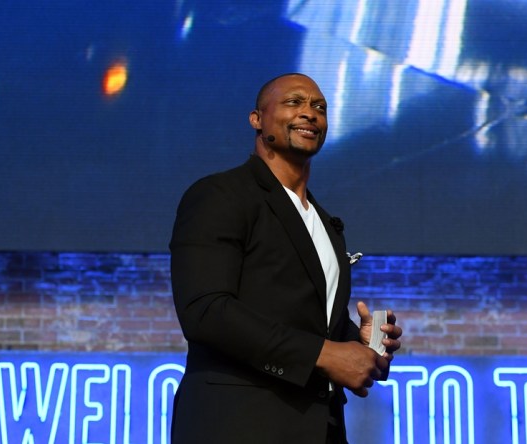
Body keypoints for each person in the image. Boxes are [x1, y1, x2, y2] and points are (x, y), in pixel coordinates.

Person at [169, 73, 403, 443]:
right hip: (238, 424)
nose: (310, 113)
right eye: (294, 102)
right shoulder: (221, 195)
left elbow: (302, 320)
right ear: (257, 119)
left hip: (319, 427)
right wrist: (325, 355)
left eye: (319, 107)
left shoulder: (325, 223)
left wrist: (356, 343)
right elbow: (205, 311)